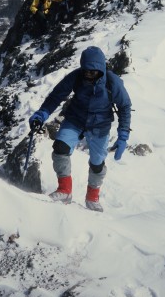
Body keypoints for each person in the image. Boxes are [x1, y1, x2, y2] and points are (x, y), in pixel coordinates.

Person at [29, 46, 132, 212]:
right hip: (75, 119)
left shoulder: (112, 81)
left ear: (101, 69)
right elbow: (57, 96)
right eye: (87, 72)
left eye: (94, 72)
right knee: (60, 148)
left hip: (100, 125)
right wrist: (42, 114)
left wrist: (123, 136)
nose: (90, 75)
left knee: (97, 163)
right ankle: (65, 190)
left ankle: (92, 197)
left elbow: (125, 106)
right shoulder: (76, 77)